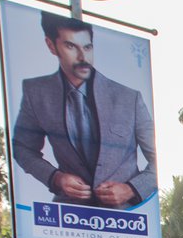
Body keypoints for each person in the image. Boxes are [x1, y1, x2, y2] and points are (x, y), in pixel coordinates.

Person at [10, 12, 158, 209]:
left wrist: (131, 189)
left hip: (129, 221)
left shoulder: (129, 98)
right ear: (51, 45)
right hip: (69, 219)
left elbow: (160, 160)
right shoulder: (36, 93)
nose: (82, 57)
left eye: (87, 47)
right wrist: (56, 178)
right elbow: (22, 148)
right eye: (71, 46)